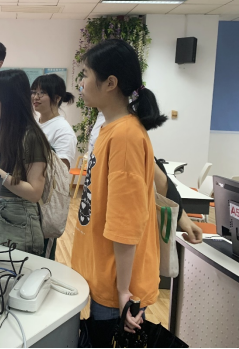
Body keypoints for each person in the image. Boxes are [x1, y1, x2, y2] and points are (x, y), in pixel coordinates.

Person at [71, 39, 167, 344]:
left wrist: (124, 291)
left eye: (86, 74)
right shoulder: (109, 129)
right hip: (105, 274)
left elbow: (125, 222)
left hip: (117, 286)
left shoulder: (125, 135)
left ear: (110, 83)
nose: (81, 82)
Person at [0, 70, 51, 256]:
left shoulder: (31, 137)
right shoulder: (4, 131)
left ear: (11, 99)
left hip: (19, 224)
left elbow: (34, 193)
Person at [88, 113, 203, 244]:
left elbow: (154, 172)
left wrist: (182, 216)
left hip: (115, 238)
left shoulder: (125, 131)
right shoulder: (107, 122)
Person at [31, 73, 77, 170]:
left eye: (42, 92)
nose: (35, 97)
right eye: (34, 92)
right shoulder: (33, 123)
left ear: (57, 98)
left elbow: (61, 170)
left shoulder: (63, 130)